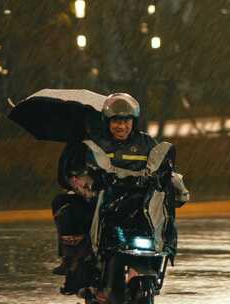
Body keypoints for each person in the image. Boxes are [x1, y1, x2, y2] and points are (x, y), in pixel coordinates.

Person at [51, 93, 189, 292]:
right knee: (66, 205)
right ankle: (74, 262)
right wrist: (83, 184)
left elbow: (163, 169)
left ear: (133, 121)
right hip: (104, 204)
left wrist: (178, 188)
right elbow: (79, 171)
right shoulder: (95, 143)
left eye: (126, 121)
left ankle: (150, 269)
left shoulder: (147, 143)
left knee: (163, 228)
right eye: (116, 121)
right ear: (107, 121)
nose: (121, 126)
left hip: (139, 206)